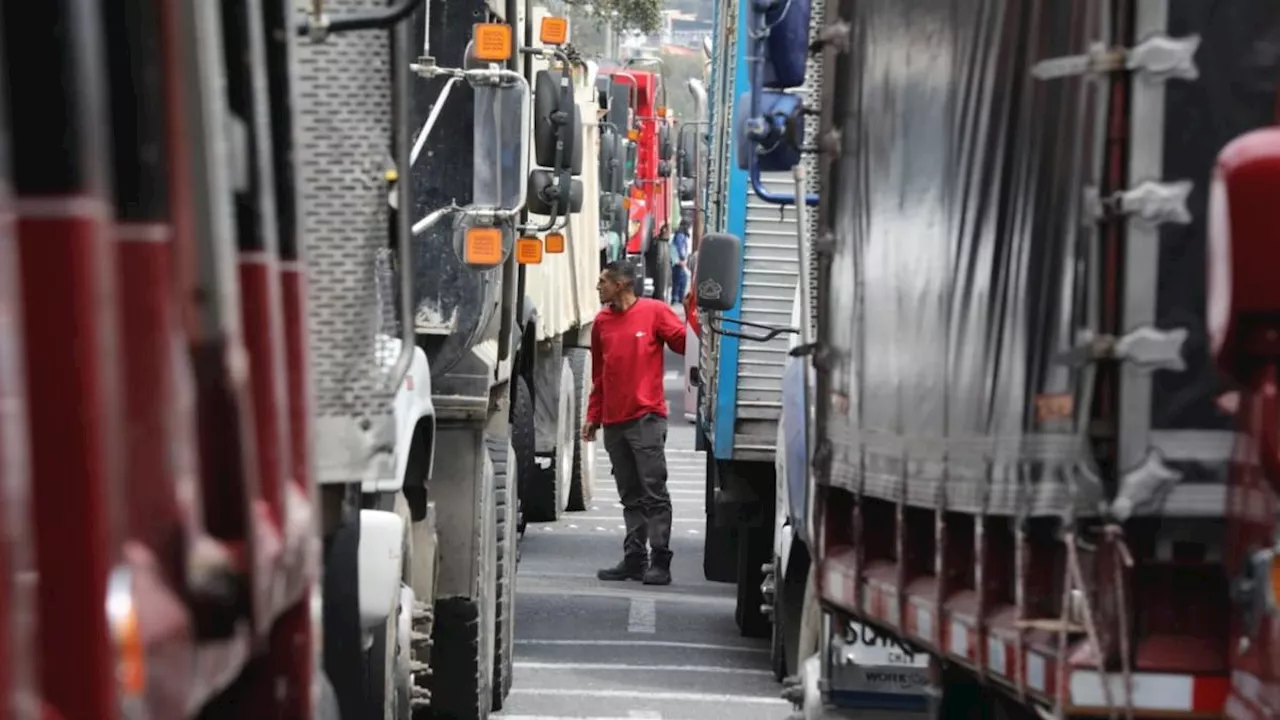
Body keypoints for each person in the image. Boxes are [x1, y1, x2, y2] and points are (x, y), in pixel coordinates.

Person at [582, 261, 687, 585]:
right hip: (614, 423)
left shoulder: (654, 312)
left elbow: (685, 344)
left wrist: (694, 314)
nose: (598, 287)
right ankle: (634, 559)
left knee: (653, 492)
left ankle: (661, 562)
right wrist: (593, 417)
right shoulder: (601, 322)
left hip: (646, 419)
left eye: (603, 281)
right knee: (630, 495)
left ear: (623, 283)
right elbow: (599, 374)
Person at [670, 220, 690, 304]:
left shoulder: (678, 234)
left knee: (678, 280)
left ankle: (676, 298)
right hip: (679, 262)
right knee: (681, 280)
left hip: (676, 262)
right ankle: (678, 298)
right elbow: (680, 248)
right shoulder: (681, 235)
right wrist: (682, 259)